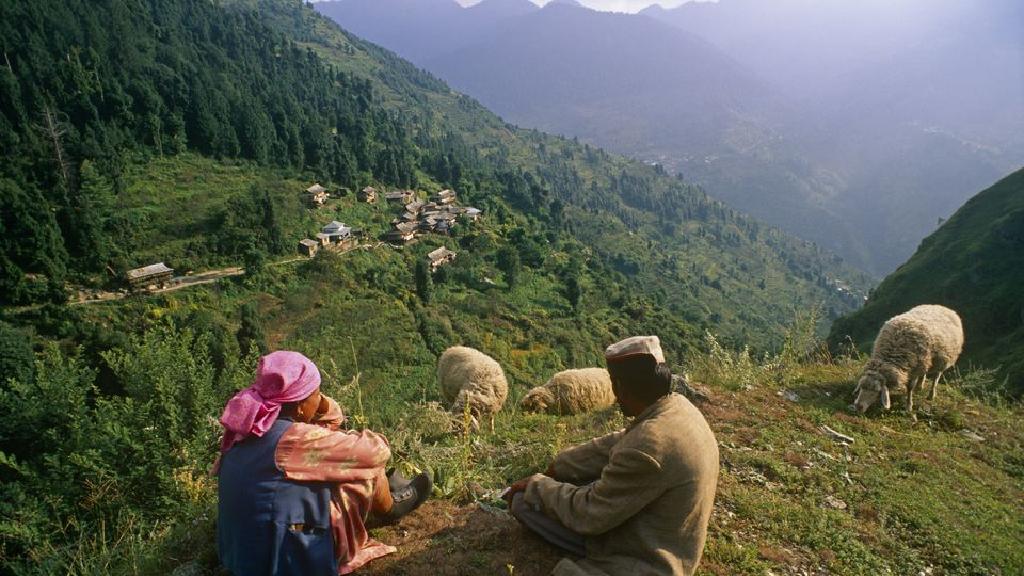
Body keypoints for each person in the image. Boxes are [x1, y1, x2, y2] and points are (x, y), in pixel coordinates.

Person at [504, 336, 719, 576]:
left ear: (619, 387)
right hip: (670, 530)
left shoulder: (646, 447)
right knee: (569, 486)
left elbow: (589, 513)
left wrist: (538, 485)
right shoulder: (677, 408)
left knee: (523, 502)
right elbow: (618, 441)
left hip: (650, 554)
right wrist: (561, 465)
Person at [216, 351, 431, 576]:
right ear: (299, 405)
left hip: (241, 554)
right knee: (359, 470)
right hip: (282, 561)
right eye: (317, 394)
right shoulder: (293, 440)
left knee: (333, 464)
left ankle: (388, 493)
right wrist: (324, 409)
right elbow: (376, 452)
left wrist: (317, 404)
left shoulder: (249, 426)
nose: (320, 400)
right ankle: (391, 507)